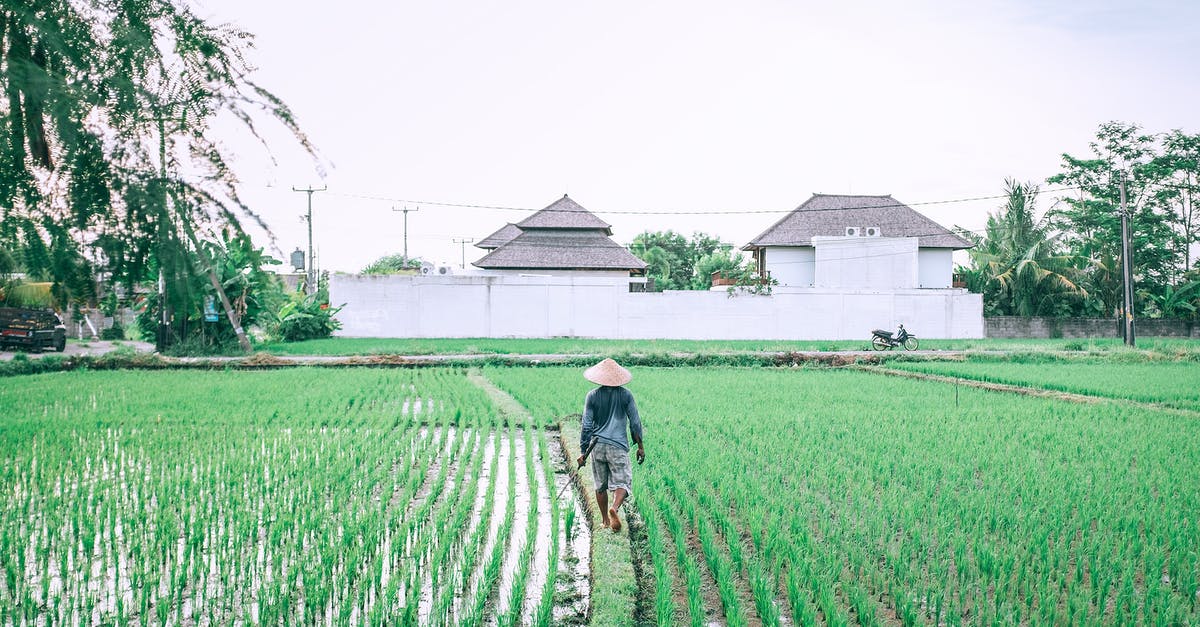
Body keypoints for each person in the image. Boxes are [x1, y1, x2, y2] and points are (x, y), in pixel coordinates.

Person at [578, 358, 645, 533]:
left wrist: (583, 451)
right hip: (618, 446)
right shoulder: (626, 395)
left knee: (600, 485)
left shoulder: (592, 396)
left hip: (597, 446)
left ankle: (606, 521)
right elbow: (635, 422)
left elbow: (586, 425)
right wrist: (640, 446)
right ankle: (614, 508)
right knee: (622, 481)